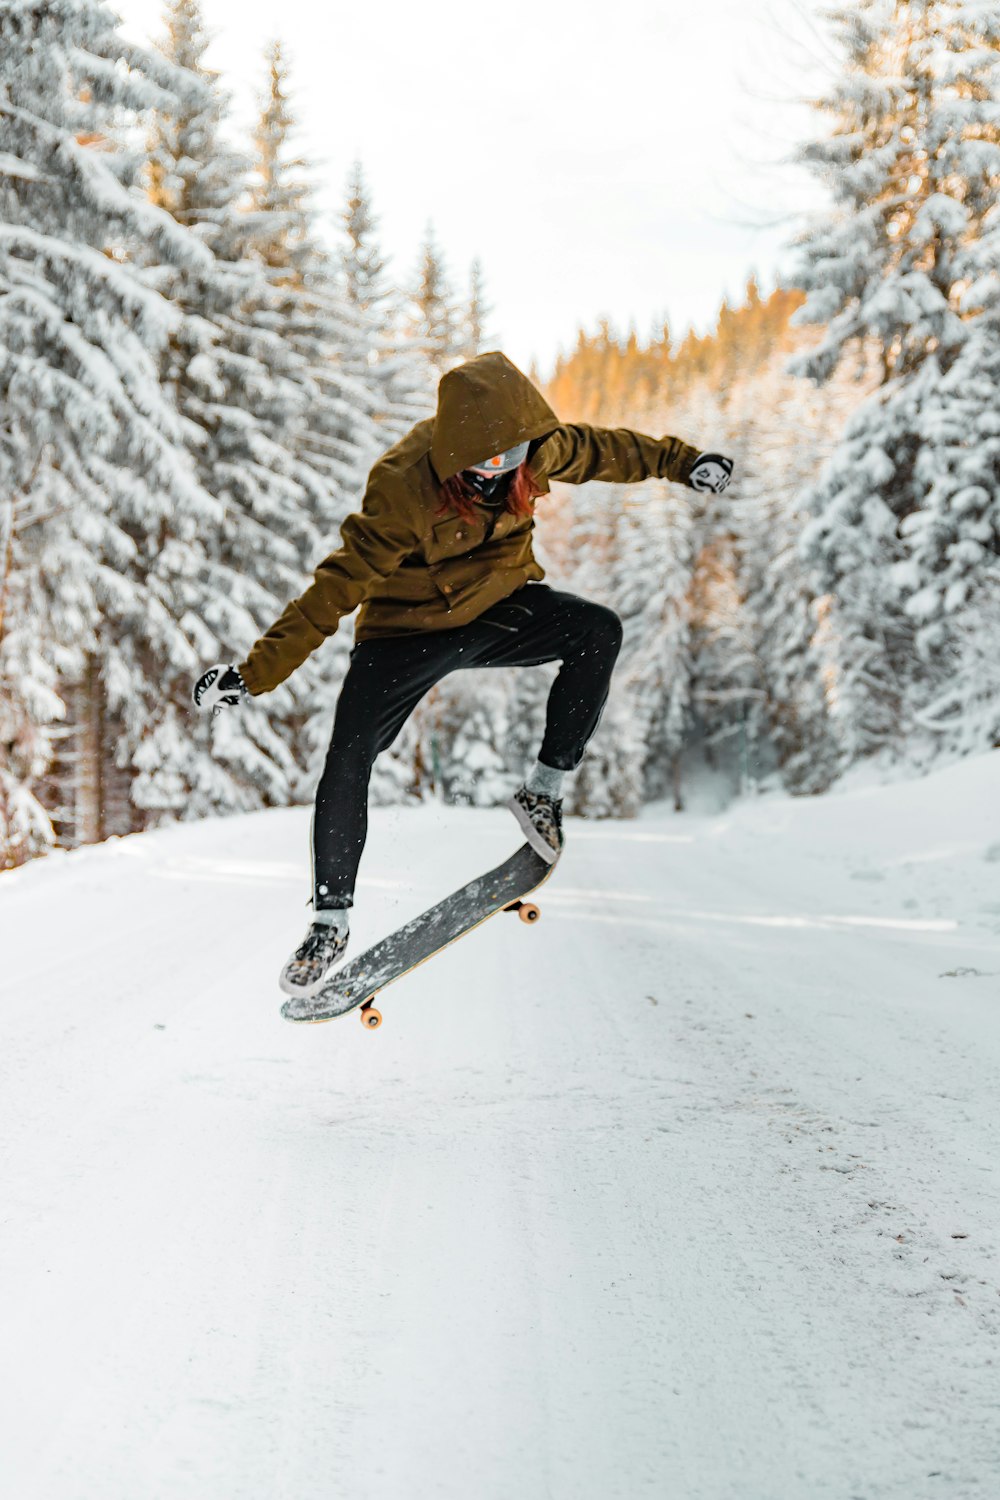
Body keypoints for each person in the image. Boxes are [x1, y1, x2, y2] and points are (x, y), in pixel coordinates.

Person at [193, 351, 733, 997]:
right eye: (482, 464)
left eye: (510, 461)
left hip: (496, 609)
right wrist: (256, 674)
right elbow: (336, 588)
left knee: (596, 630)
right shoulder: (402, 485)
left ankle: (543, 791)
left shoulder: (537, 449)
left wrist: (683, 461)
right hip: (403, 632)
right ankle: (329, 922)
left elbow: (606, 449)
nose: (495, 475)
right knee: (348, 755)